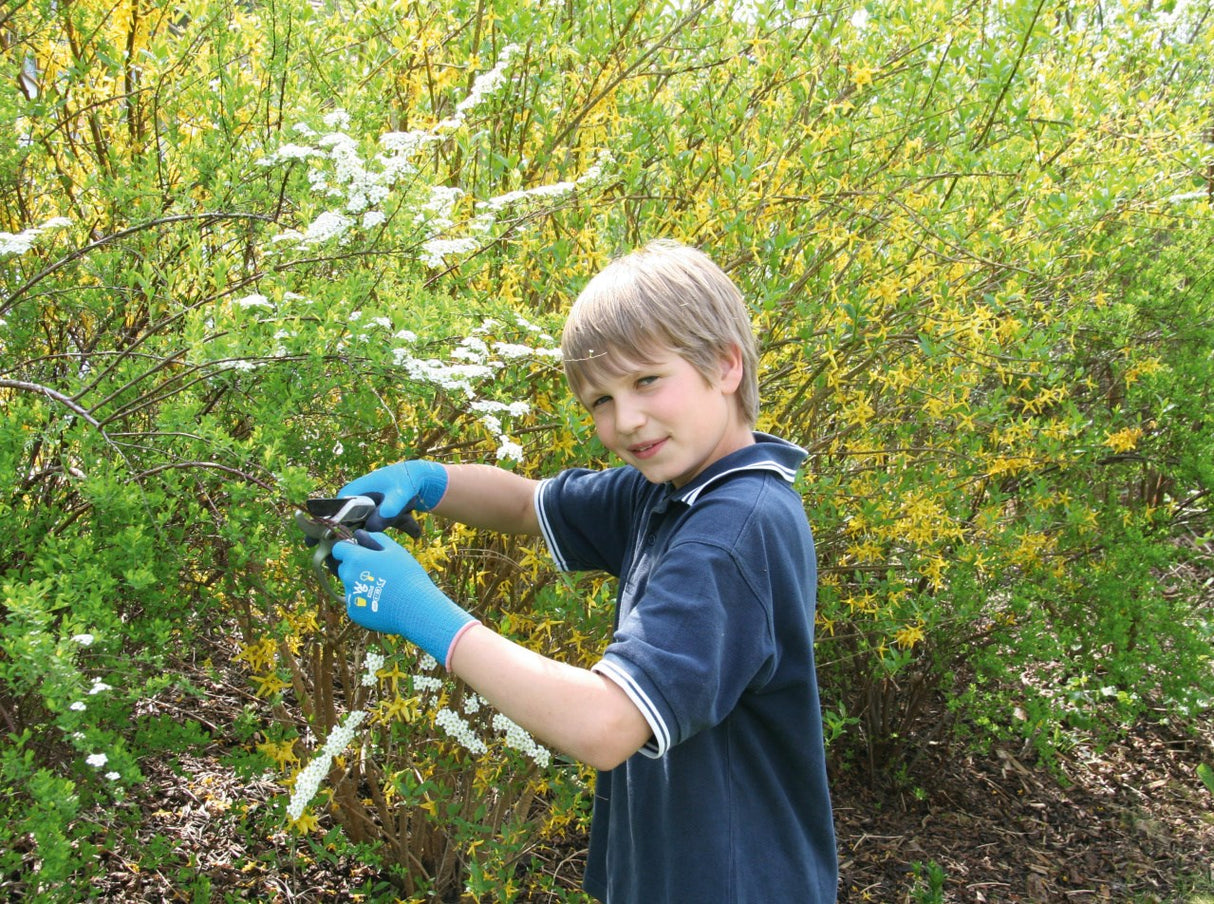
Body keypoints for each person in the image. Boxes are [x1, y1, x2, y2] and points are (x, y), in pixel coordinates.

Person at [322, 239, 838, 903]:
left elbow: (605, 725)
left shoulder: (731, 535)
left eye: (647, 380)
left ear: (725, 365)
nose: (626, 420)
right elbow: (528, 503)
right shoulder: (672, 487)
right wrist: (427, 482)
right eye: (599, 400)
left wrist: (421, 610)